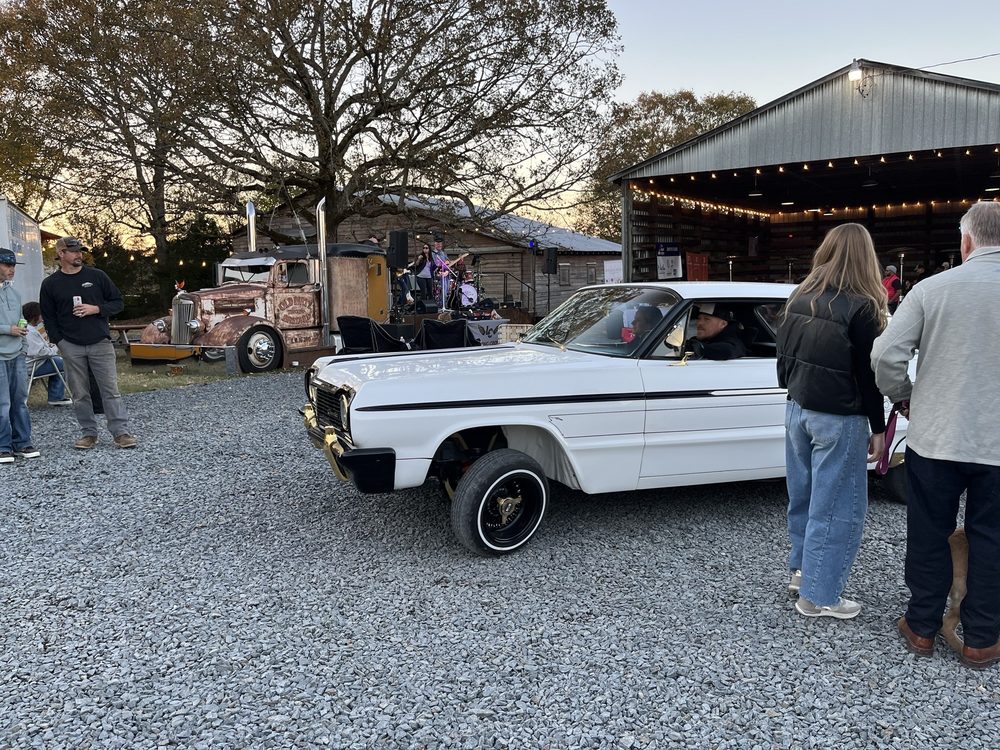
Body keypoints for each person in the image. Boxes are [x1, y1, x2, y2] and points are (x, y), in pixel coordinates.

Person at [871, 202, 1000, 668]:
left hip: (939, 436)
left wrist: (904, 397)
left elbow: (885, 354)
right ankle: (983, 638)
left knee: (929, 532)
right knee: (994, 536)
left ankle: (922, 626)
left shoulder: (932, 289)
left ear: (966, 242)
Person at [776, 223, 887, 620]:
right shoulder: (864, 308)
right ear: (866, 258)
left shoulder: (799, 296)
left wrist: (791, 391)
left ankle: (803, 571)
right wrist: (879, 427)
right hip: (840, 416)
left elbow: (783, 355)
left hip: (797, 408)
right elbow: (868, 376)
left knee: (804, 497)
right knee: (838, 505)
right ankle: (819, 596)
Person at [39, 237, 136, 450]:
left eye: (80, 251)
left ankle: (121, 433)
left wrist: (96, 309)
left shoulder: (97, 276)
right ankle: (89, 434)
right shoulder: (50, 284)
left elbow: (118, 303)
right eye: (73, 251)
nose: (78, 255)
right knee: (79, 392)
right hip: (70, 345)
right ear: (61, 254)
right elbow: (49, 318)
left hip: (100, 341)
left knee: (110, 389)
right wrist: (60, 342)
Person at [0, 248, 39, 462]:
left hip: (17, 354)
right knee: (2, 403)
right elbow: (12, 326)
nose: (11, 269)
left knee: (20, 400)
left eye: (13, 265)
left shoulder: (14, 293)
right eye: (6, 265)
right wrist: (8, 329)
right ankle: (3, 446)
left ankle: (23, 442)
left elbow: (21, 321)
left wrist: (23, 345)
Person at [21, 301, 73, 406]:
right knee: (66, 363)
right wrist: (55, 347)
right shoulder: (30, 332)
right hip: (33, 365)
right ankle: (56, 397)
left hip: (30, 362)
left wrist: (49, 347)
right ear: (35, 315)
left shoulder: (25, 328)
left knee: (58, 361)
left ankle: (56, 395)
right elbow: (42, 352)